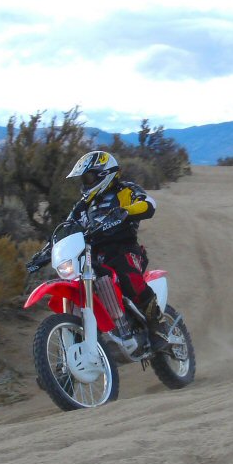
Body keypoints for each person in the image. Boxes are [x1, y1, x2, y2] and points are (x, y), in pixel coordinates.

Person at [58, 150, 168, 356]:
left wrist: (127, 211)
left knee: (128, 277)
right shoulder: (83, 206)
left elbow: (149, 204)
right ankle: (68, 360)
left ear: (104, 174)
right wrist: (47, 250)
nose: (85, 183)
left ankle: (158, 326)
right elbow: (67, 226)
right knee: (76, 283)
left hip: (125, 249)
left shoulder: (124, 191)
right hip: (92, 255)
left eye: (88, 177)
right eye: (83, 179)